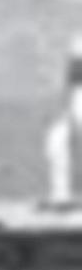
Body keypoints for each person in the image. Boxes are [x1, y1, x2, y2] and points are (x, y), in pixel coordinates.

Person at [45, 41, 82, 205]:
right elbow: (70, 81)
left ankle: (61, 194)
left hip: (75, 98)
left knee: (57, 141)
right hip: (75, 98)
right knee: (56, 141)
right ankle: (60, 194)